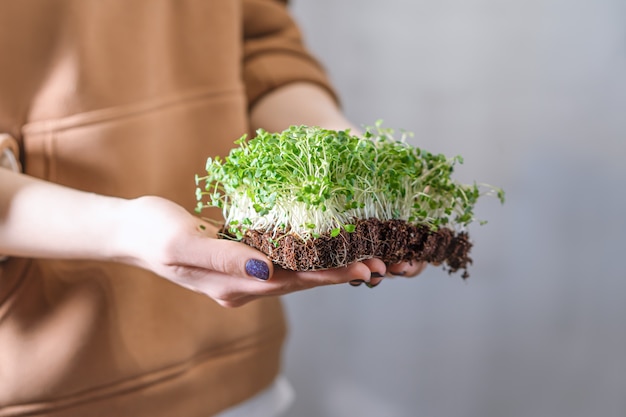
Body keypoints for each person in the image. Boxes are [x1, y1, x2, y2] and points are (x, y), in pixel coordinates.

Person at [0, 1, 425, 416]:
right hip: (52, 380)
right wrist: (124, 231)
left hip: (241, 371)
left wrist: (344, 154)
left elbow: (259, 44)